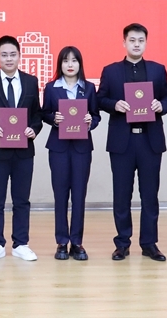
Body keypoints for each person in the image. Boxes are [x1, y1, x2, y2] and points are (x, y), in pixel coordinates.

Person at [97, 23, 167, 262]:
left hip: (150, 141)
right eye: (132, 40)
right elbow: (99, 99)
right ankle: (122, 243)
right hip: (123, 141)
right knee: (122, 195)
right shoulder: (111, 71)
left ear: (146, 43)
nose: (136, 44)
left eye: (141, 40)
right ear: (124, 43)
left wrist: (162, 105)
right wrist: (114, 105)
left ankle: (149, 244)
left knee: (150, 195)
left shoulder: (158, 70)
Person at [0, 36, 43, 262]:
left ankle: (21, 243)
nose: (9, 59)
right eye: (4, 55)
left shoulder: (31, 81)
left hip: (24, 151)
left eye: (13, 54)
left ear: (19, 56)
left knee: (22, 200)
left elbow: (37, 115)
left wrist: (34, 129)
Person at [42, 46, 100, 261]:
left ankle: (76, 241)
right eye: (66, 60)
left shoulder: (89, 88)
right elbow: (44, 113)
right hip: (58, 147)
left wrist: (90, 121)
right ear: (60, 64)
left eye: (74, 60)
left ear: (80, 64)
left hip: (81, 148)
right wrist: (53, 119)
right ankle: (61, 241)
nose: (70, 64)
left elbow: (96, 115)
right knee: (60, 196)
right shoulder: (51, 88)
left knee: (79, 195)